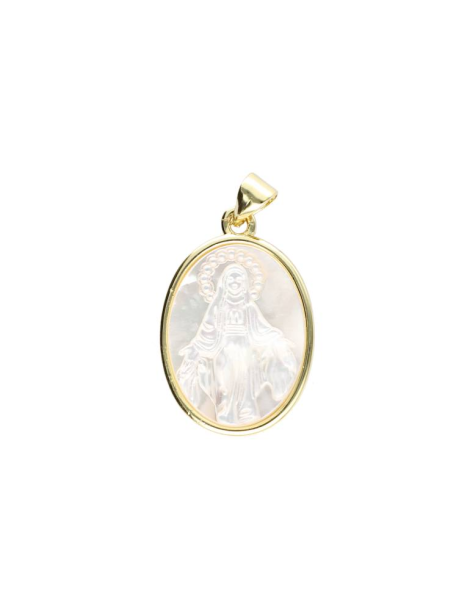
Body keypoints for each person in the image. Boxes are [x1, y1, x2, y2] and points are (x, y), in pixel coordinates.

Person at [177, 263, 297, 425]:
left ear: (245, 284)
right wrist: (195, 348)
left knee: (246, 388)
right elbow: (207, 332)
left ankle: (247, 413)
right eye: (231, 278)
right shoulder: (217, 309)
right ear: (224, 283)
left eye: (238, 278)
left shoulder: (249, 308)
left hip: (246, 352)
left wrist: (276, 339)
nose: (235, 282)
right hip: (224, 353)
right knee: (225, 387)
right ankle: (225, 415)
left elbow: (261, 330)